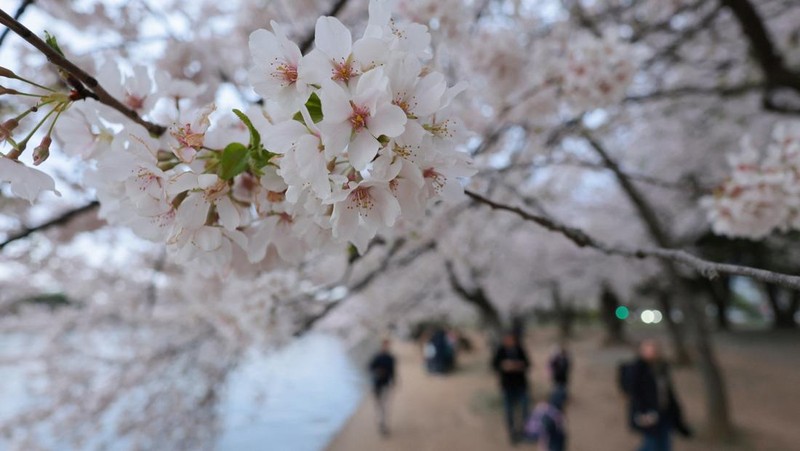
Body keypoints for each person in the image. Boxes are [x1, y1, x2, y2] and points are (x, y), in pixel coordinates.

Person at [628, 339, 691, 451]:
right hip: (649, 413)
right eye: (646, 350)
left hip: (665, 412)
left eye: (653, 349)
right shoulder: (638, 369)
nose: (650, 352)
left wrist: (676, 413)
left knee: (665, 443)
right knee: (651, 444)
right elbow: (635, 393)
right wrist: (642, 412)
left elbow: (668, 391)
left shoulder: (661, 367)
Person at [492, 332, 531, 444]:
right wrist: (503, 365)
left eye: (512, 339)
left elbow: (528, 363)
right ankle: (512, 434)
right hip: (507, 386)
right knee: (509, 411)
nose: (509, 342)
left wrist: (519, 365)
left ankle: (526, 432)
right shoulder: (500, 350)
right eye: (507, 339)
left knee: (525, 409)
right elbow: (494, 364)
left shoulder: (520, 349)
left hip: (521, 385)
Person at [368, 338, 396, 436]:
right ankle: (380, 420)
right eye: (385, 345)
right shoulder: (377, 357)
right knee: (379, 404)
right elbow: (369, 367)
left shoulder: (390, 358)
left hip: (386, 384)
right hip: (377, 384)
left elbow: (393, 371)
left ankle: (382, 423)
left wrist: (394, 381)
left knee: (384, 405)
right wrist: (378, 371)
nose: (386, 347)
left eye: (387, 345)